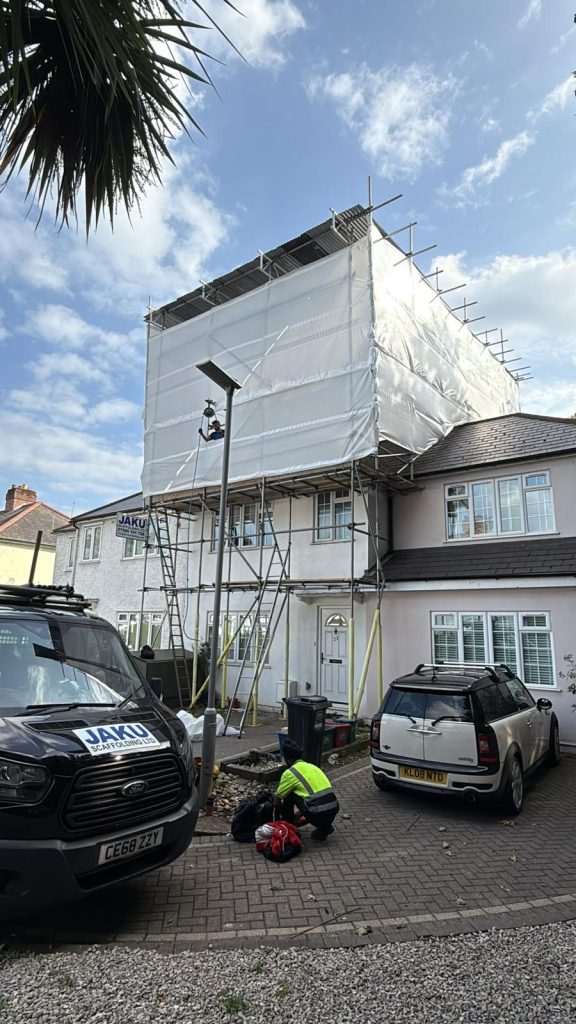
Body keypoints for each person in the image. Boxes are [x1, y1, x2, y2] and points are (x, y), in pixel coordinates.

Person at [274, 738, 340, 841]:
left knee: (289, 792)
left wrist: (278, 816)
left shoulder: (290, 773)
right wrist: (300, 813)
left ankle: (288, 824)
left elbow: (277, 800)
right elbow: (312, 793)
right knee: (306, 794)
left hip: (317, 812)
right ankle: (324, 827)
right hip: (333, 808)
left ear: (288, 760)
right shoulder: (312, 767)